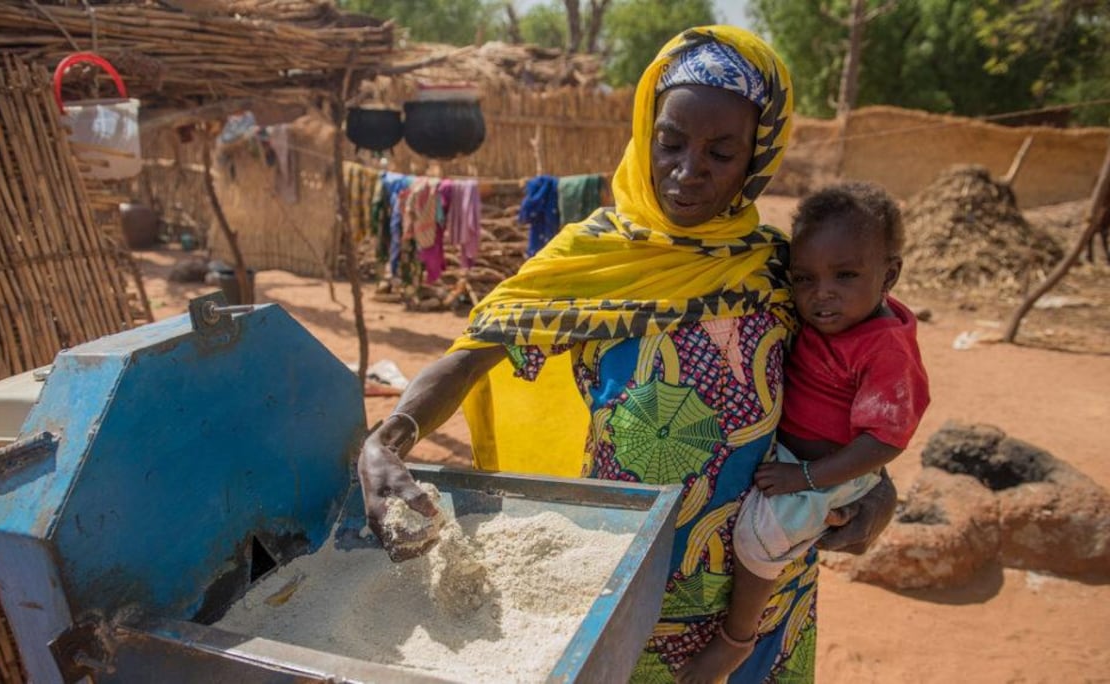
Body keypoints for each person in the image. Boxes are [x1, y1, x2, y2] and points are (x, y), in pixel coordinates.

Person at [357, 26, 899, 683]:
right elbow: (471, 355)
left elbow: (857, 386)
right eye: (669, 143)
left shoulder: (779, 271)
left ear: (756, 156)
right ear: (645, 135)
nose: (687, 169)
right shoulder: (597, 258)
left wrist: (879, 486)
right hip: (629, 589)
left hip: (762, 590)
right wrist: (385, 444)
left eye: (721, 152)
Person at [684, 182, 931, 680]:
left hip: (826, 474)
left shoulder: (883, 347)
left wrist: (811, 478)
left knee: (759, 540)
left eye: (845, 276)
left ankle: (737, 639)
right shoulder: (805, 296)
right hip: (797, 461)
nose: (821, 295)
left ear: (890, 275)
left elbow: (885, 439)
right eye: (804, 279)